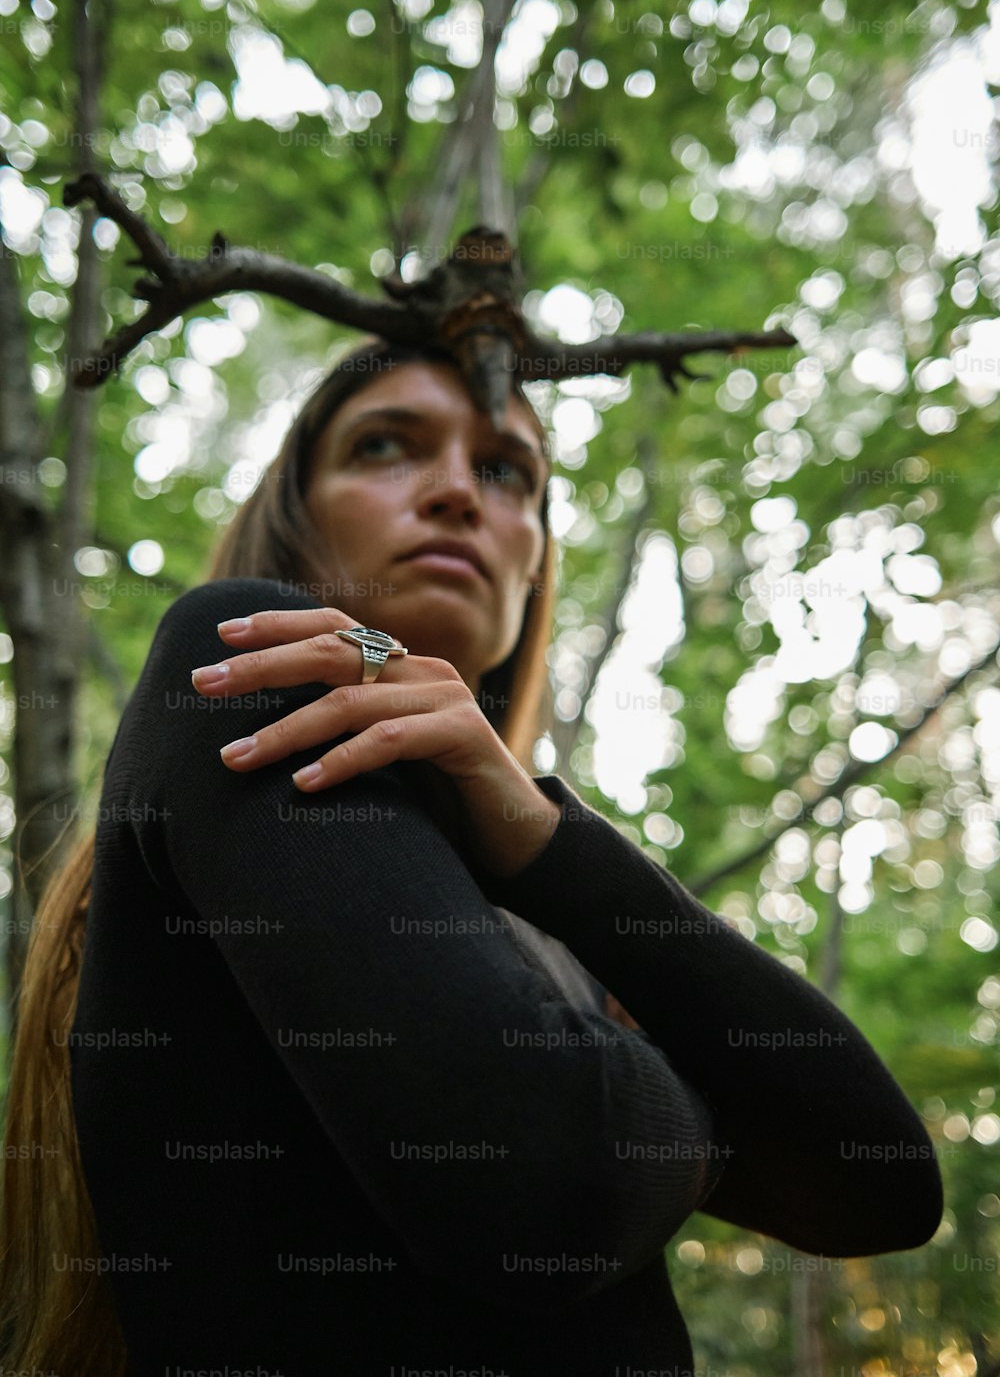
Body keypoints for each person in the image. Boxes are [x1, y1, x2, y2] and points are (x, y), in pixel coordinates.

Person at [0, 339, 943, 1377]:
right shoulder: (233, 666)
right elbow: (548, 1186)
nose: (455, 490)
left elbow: (885, 1185)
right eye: (386, 446)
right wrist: (695, 1091)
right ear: (297, 512)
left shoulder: (533, 897)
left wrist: (546, 838)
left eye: (506, 472)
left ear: (534, 557)